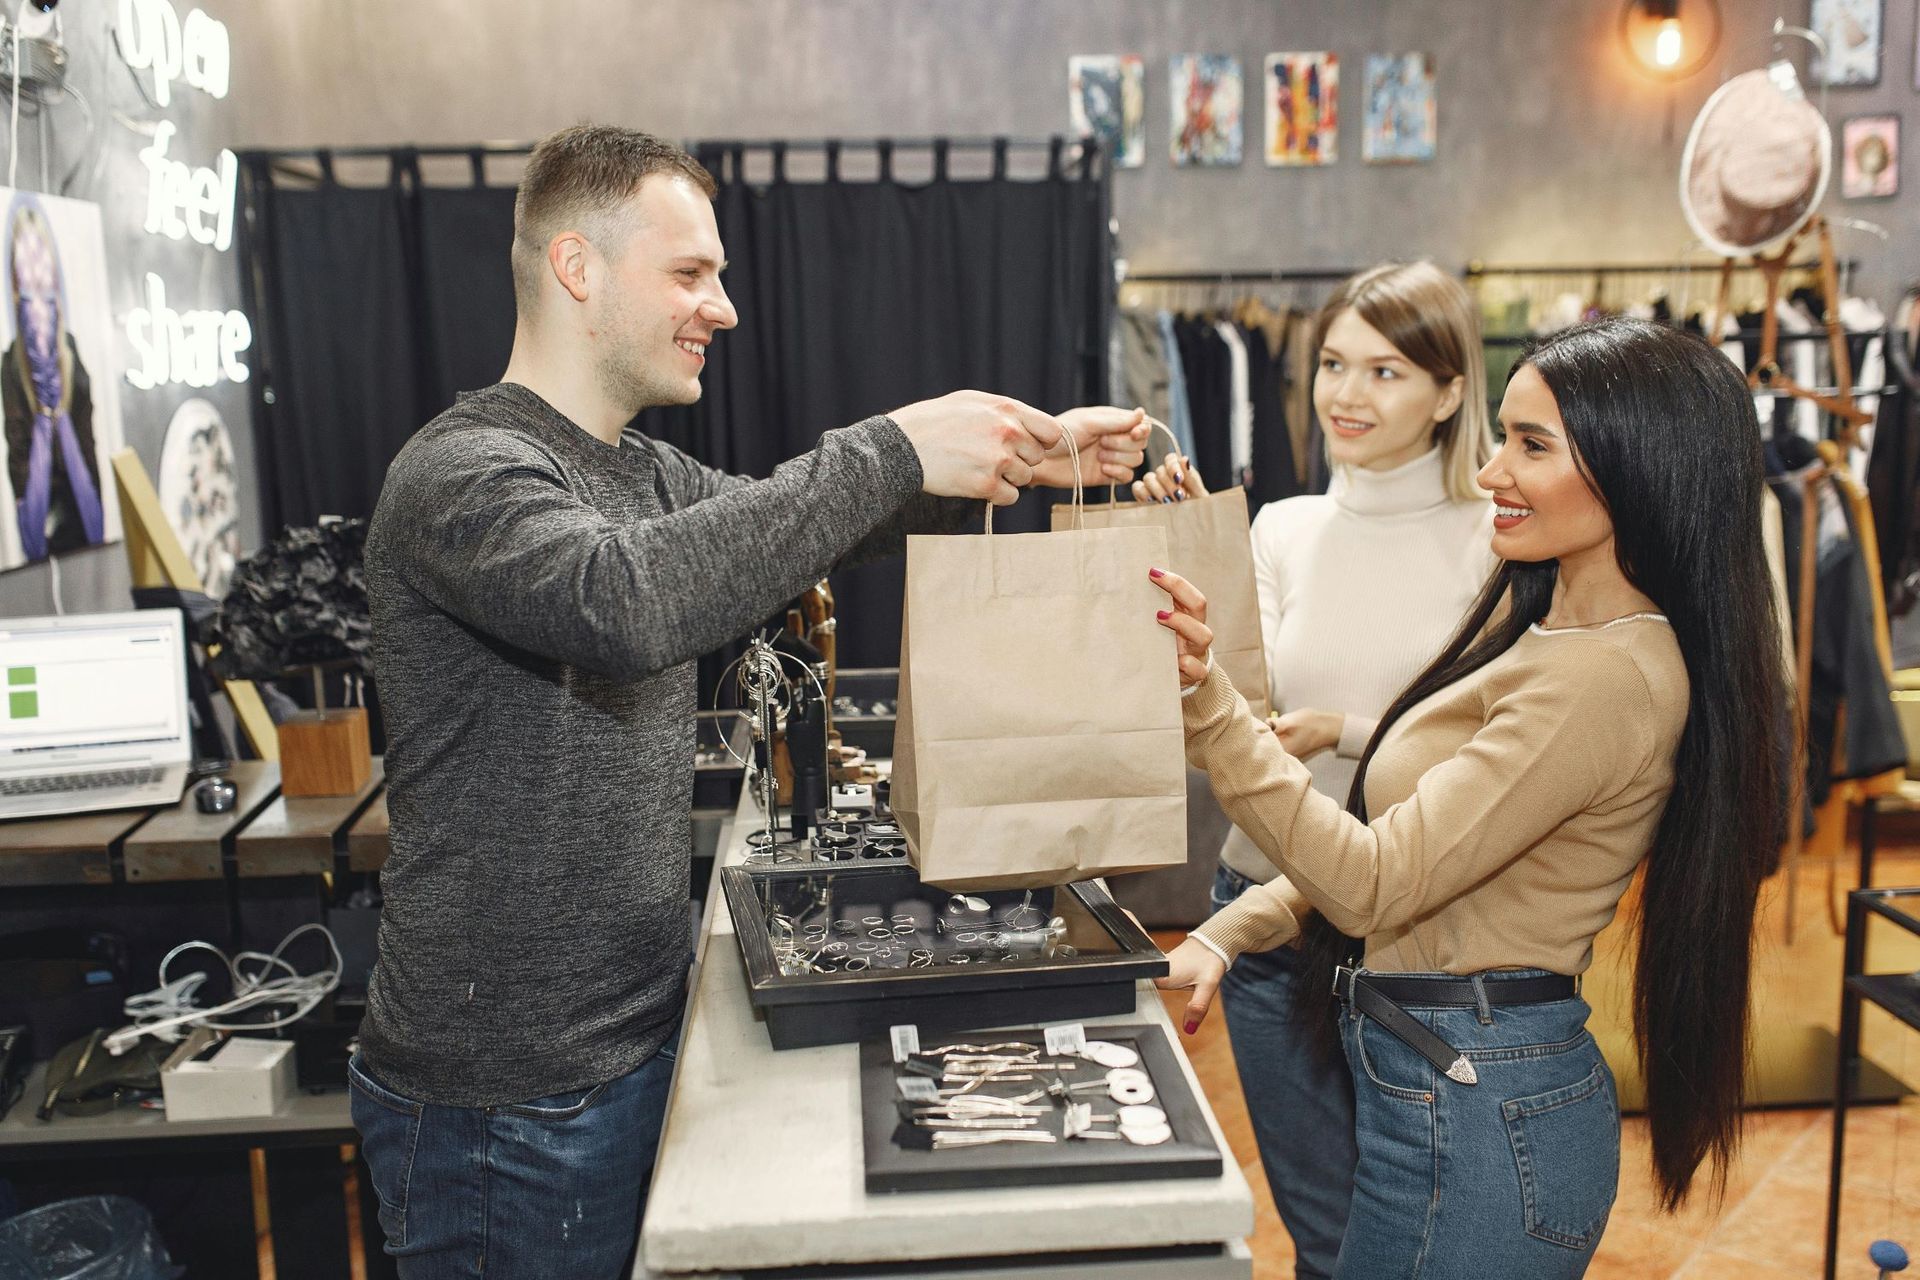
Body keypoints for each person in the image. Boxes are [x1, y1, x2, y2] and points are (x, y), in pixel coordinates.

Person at [351, 124, 1148, 1280]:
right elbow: (622, 601)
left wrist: (1024, 450)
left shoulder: (639, 466)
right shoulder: (461, 474)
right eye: (690, 273)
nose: (721, 307)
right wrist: (891, 445)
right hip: (502, 1107)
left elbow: (801, 525)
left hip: (626, 1046)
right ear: (577, 268)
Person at [1151, 316, 1785, 1278]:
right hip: (1441, 1083)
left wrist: (1210, 706)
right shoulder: (1542, 623)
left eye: (1531, 446)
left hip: (1481, 1109)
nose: (1491, 471)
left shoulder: (1608, 678)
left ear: (1640, 468)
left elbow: (1373, 883)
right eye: (1503, 436)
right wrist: (1231, 932)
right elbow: (1408, 845)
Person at [1132, 261, 1493, 1278]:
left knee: (1404, 1228)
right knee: (1322, 1229)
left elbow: (1490, 744)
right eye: (1335, 363)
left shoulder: (1491, 540)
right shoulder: (1283, 526)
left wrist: (1346, 729)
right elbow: (1227, 722)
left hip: (1410, 922)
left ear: (1451, 390)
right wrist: (1192, 546)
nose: (1346, 393)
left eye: (1386, 371)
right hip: (1264, 905)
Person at [2, 195, 105, 563]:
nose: (35, 270)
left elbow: (87, 434)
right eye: (26, 260)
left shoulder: (70, 351)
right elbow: (16, 442)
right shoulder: (13, 362)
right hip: (42, 506)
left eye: (40, 257)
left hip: (81, 502)